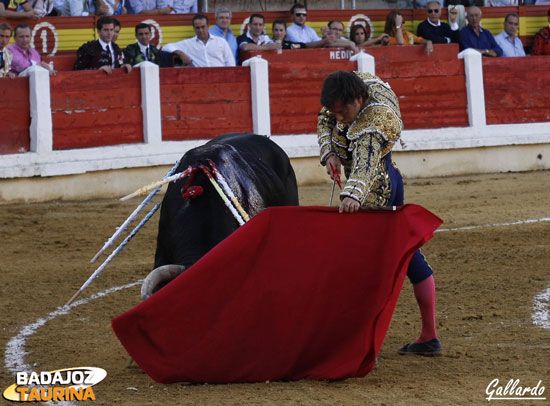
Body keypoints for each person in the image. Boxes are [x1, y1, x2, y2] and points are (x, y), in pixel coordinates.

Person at [317, 70, 442, 356]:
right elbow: (324, 117)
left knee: (364, 266)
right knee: (408, 255)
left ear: (358, 100)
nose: (338, 117)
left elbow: (366, 162)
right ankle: (429, 336)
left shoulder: (375, 120)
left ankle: (357, 343)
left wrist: (353, 194)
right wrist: (329, 153)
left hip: (379, 186)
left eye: (343, 111)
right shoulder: (350, 91)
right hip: (384, 179)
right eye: (335, 111)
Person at [162, 14, 235, 67]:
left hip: (221, 78)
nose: (201, 30)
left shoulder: (221, 42)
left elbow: (231, 63)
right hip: (200, 79)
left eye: (203, 27)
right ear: (194, 28)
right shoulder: (188, 43)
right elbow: (166, 47)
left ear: (208, 26)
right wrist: (181, 53)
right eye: (197, 28)